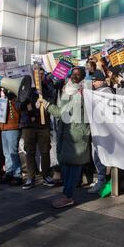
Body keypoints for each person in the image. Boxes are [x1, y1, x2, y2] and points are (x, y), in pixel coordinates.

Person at [42, 67, 91, 208]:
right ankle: (66, 194)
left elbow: (62, 112)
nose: (74, 76)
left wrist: (47, 105)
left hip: (77, 135)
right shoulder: (67, 90)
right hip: (66, 134)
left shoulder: (83, 92)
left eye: (78, 74)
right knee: (66, 166)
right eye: (73, 74)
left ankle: (68, 195)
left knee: (73, 166)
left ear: (82, 77)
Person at [88, 70, 113, 194]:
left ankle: (102, 180)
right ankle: (101, 179)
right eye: (92, 80)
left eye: (96, 80)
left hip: (104, 130)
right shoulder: (96, 92)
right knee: (96, 156)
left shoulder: (106, 92)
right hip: (96, 129)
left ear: (102, 80)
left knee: (99, 156)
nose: (94, 83)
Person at [0, 90, 23, 186]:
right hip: (3, 126)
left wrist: (12, 99)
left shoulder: (15, 96)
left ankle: (17, 175)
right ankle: (9, 172)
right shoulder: (2, 96)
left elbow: (19, 109)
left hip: (13, 127)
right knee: (7, 152)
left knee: (13, 152)